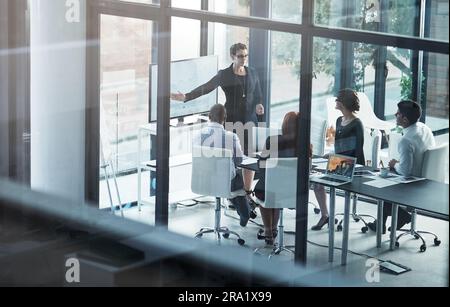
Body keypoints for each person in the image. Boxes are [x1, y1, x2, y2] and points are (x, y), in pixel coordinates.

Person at [171, 43, 264, 206]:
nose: (244, 59)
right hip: (232, 120)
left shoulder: (253, 73)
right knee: (228, 159)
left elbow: (258, 95)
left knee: (247, 157)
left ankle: (247, 194)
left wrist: (259, 105)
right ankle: (231, 194)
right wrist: (186, 96)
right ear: (232, 57)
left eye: (245, 56)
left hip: (249, 121)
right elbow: (206, 88)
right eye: (240, 56)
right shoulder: (225, 75)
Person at [367, 100, 435, 233]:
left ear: (404, 119)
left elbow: (405, 172)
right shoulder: (423, 127)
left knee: (383, 183)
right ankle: (382, 223)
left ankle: (401, 217)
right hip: (427, 178)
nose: (395, 114)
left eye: (398, 113)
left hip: (413, 181)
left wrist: (394, 164)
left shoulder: (406, 140)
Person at [253, 112, 314, 245]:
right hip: (295, 192)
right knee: (274, 189)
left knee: (265, 189)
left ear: (284, 125)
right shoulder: (305, 143)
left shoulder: (272, 140)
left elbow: (262, 164)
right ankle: (273, 229)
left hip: (274, 190)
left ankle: (269, 232)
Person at [193, 104, 256, 227]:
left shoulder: (197, 136)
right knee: (240, 175)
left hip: (202, 182)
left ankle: (242, 206)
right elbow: (239, 161)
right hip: (225, 183)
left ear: (209, 117)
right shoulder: (231, 137)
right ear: (225, 118)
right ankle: (245, 209)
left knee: (229, 176)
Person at [312, 88, 365, 230]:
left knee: (318, 181)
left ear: (342, 103)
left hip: (350, 166)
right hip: (337, 162)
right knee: (316, 183)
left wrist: (346, 164)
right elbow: (340, 144)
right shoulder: (338, 120)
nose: (335, 101)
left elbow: (358, 151)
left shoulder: (356, 124)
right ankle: (325, 215)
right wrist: (332, 155)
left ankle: (326, 216)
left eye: (337, 100)